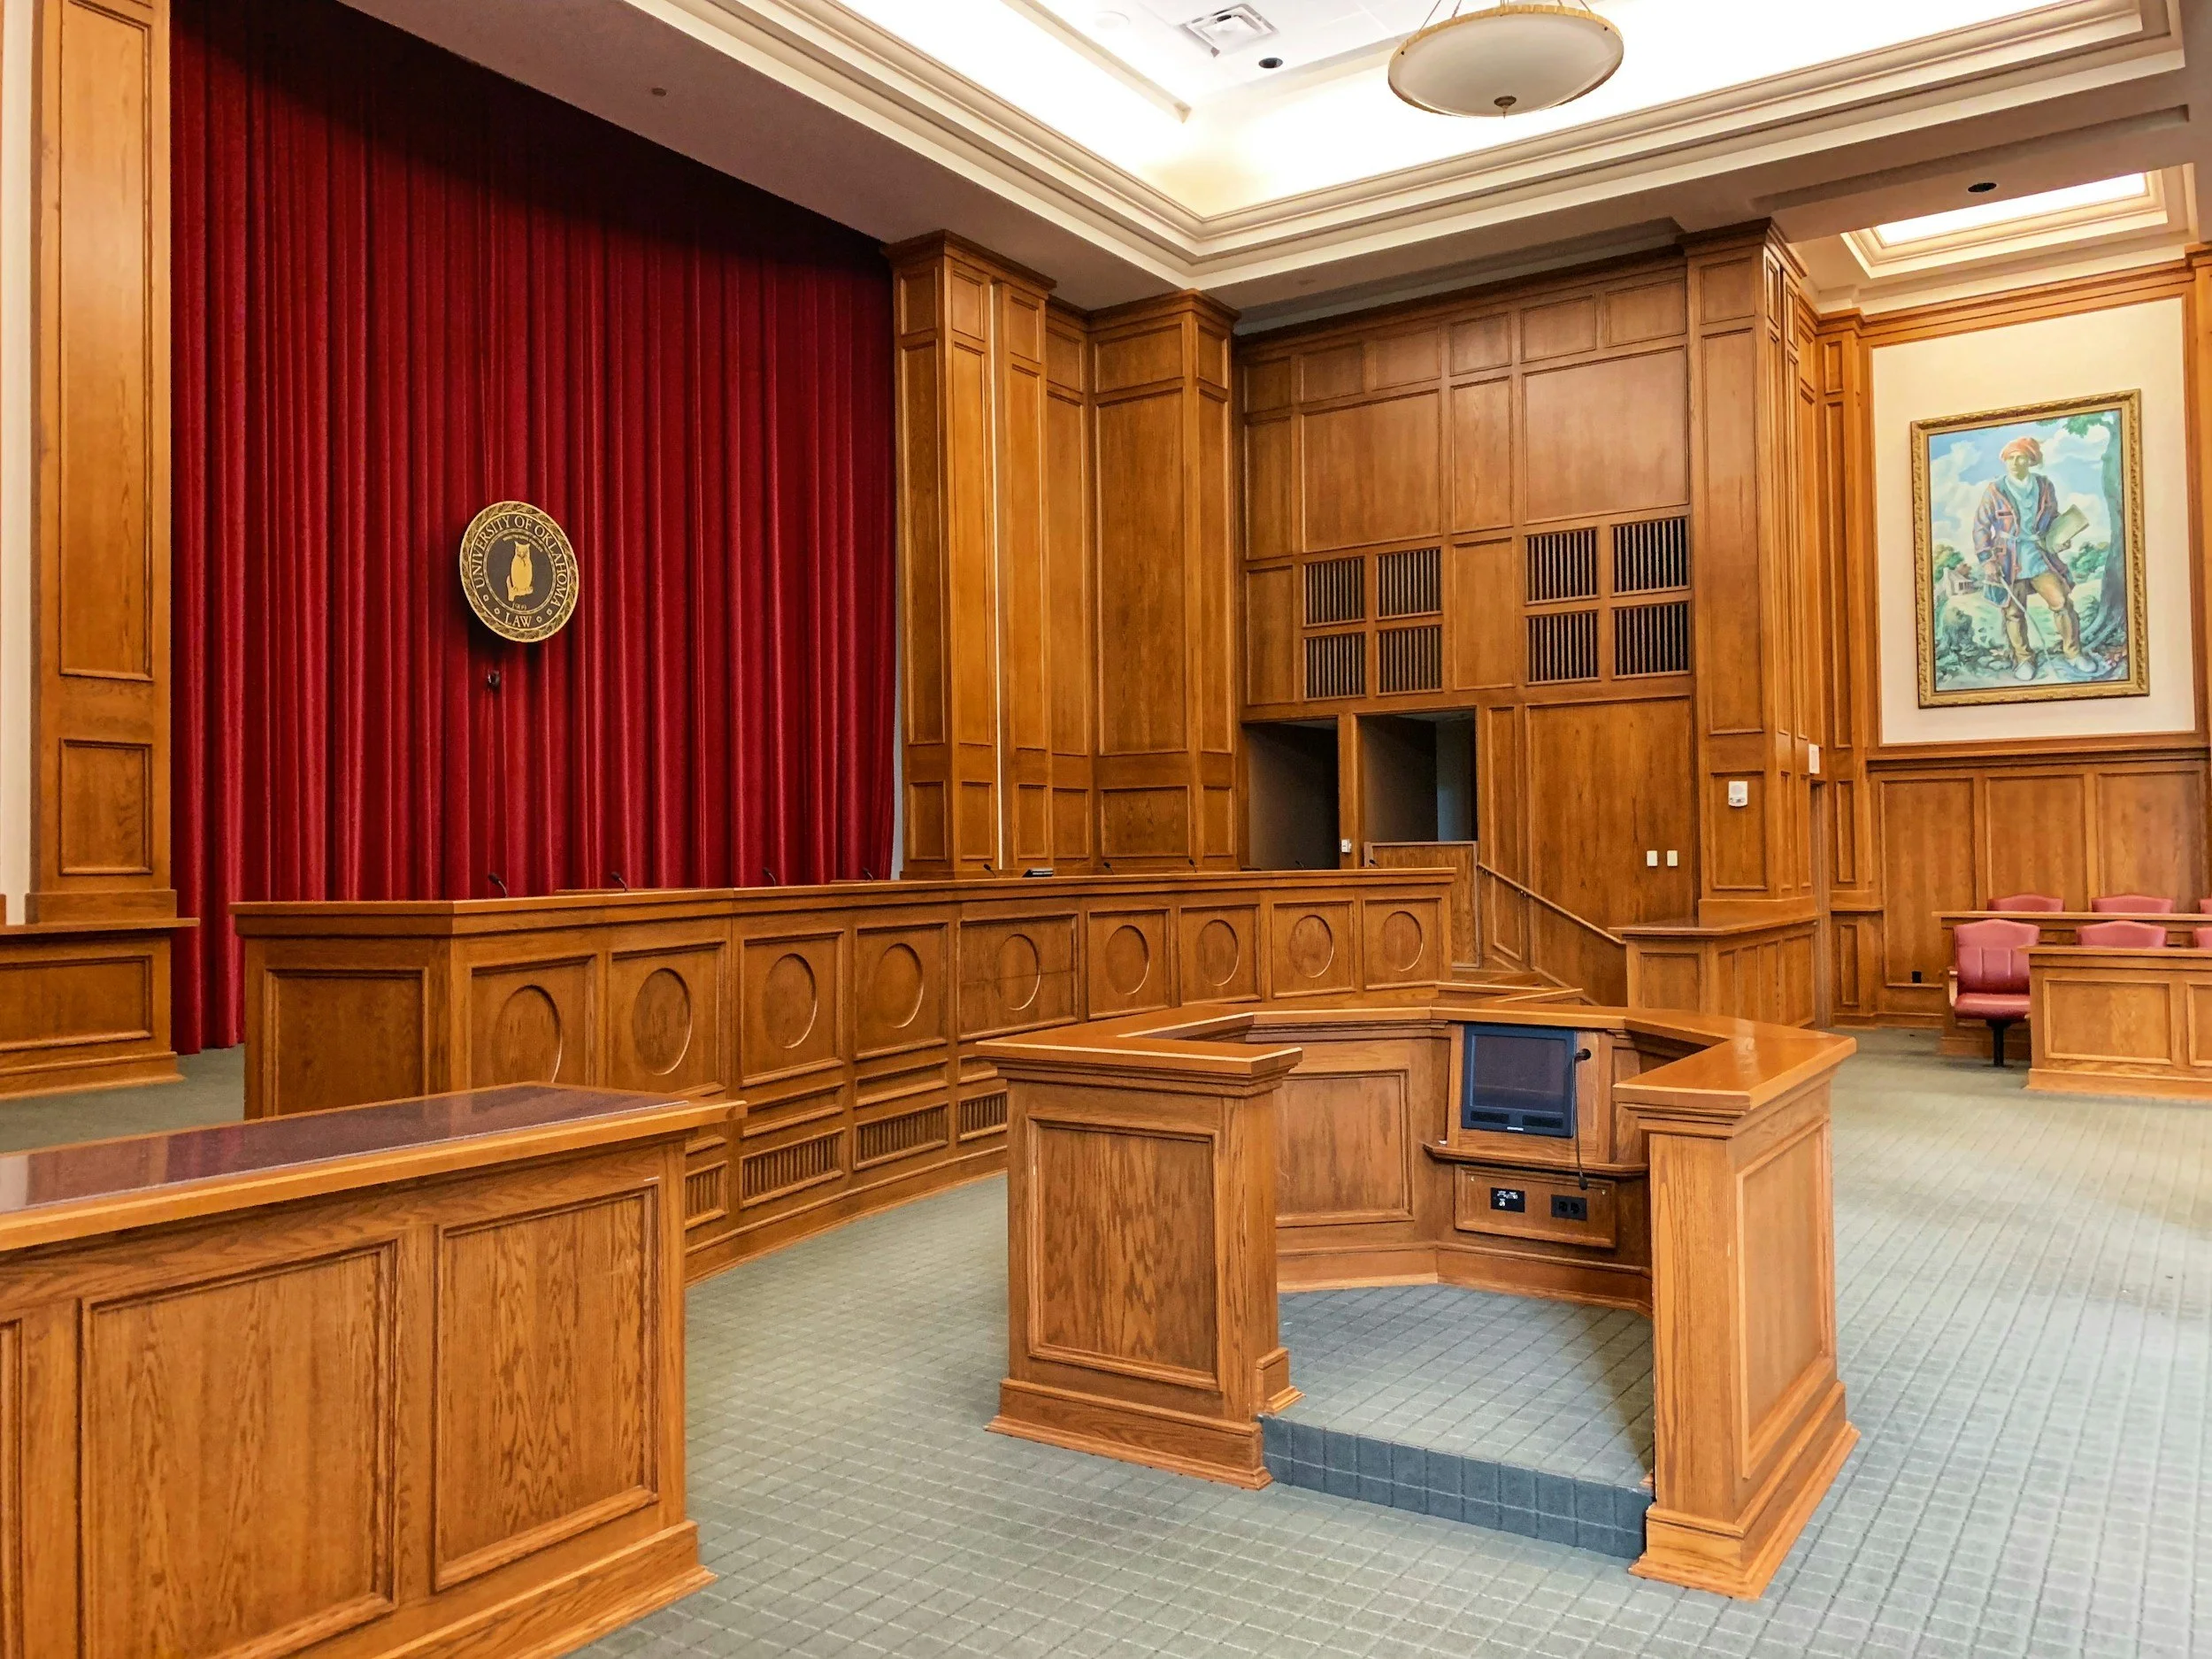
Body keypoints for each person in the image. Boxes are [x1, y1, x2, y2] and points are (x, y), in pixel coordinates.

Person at [1970, 435, 2092, 682]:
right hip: (2008, 559)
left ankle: (2073, 654)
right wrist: (1988, 561)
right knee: (2013, 612)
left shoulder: (2045, 486)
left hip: (2039, 556)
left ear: (2031, 461)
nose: (2015, 463)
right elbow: (1981, 527)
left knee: (2062, 603)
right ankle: (2024, 659)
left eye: (2021, 458)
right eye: (2010, 458)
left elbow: (2053, 519)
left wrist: (2060, 538)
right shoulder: (1995, 490)